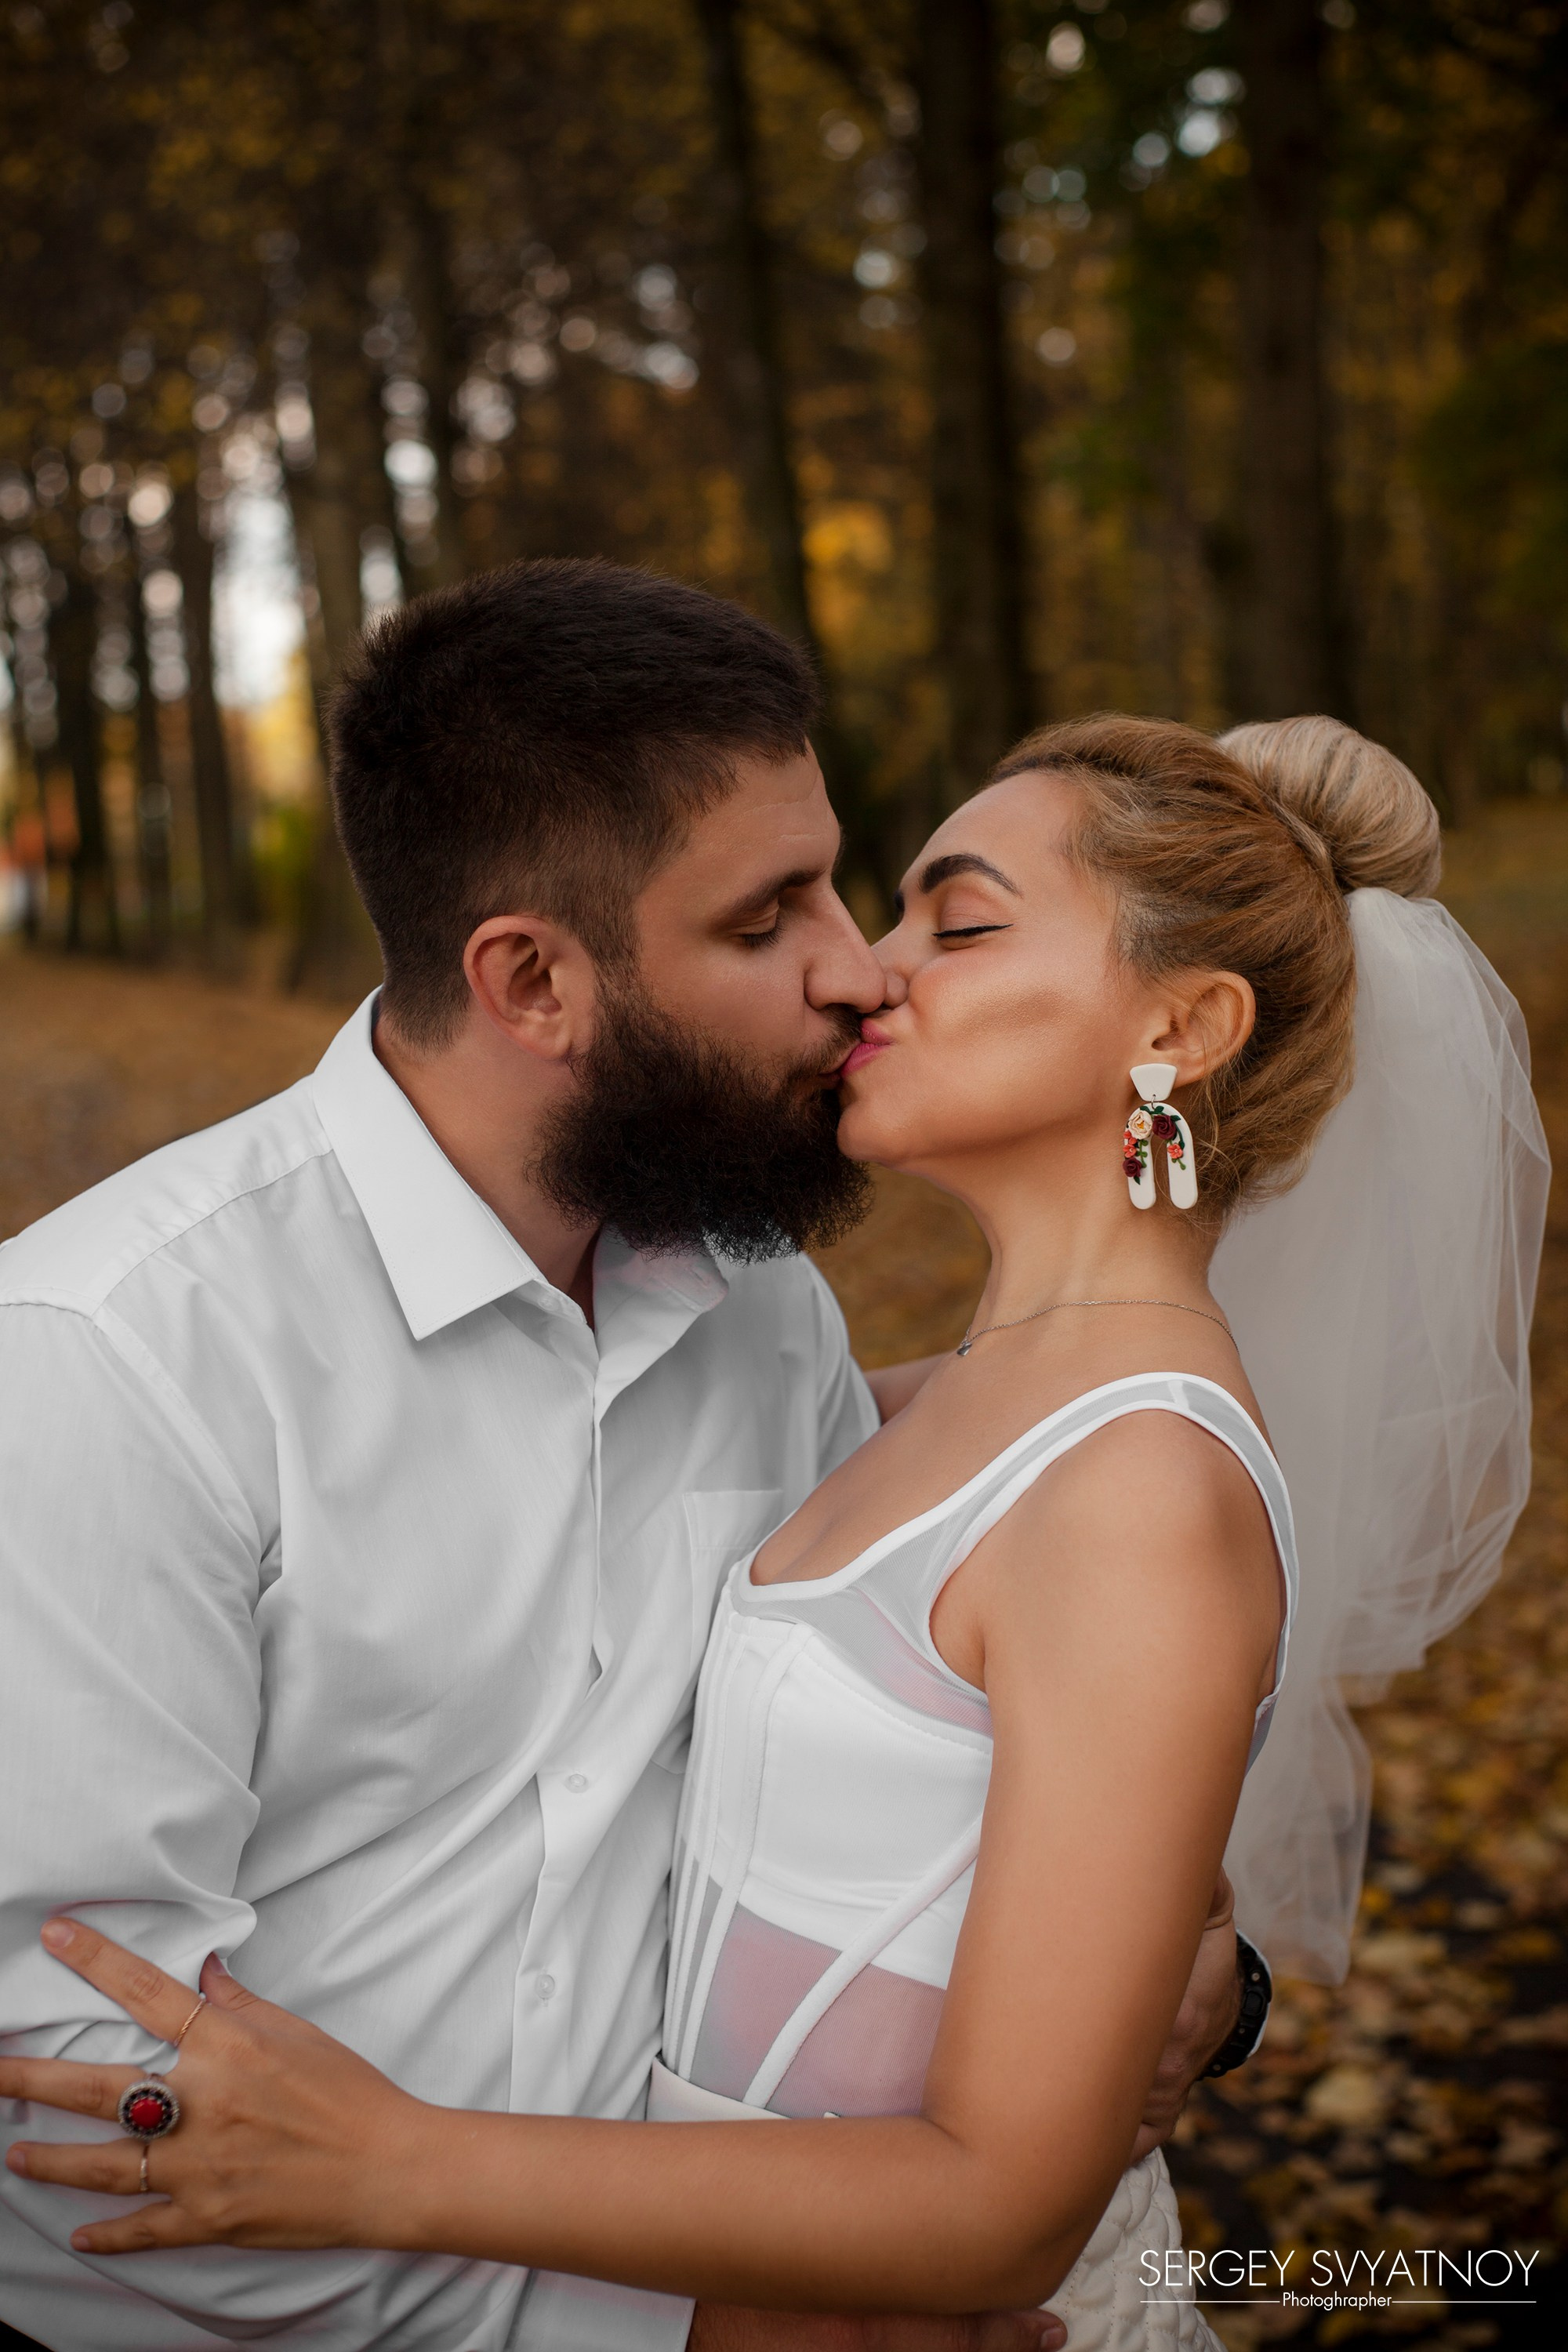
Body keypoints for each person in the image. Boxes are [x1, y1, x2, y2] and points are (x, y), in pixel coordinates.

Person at [2, 710, 1544, 2346]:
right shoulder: (855, 1367)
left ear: (1180, 1026)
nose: (868, 973)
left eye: (955, 925)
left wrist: (397, 2164)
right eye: (810, 916)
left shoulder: (1135, 1488)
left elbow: (999, 2194)